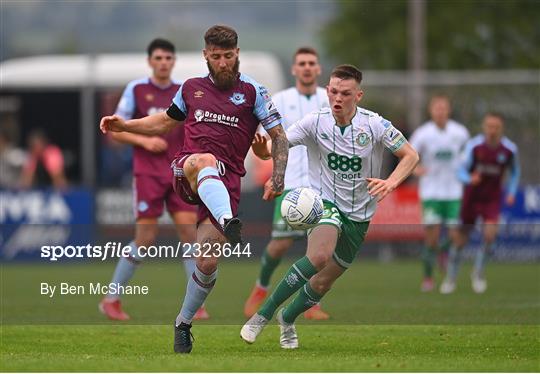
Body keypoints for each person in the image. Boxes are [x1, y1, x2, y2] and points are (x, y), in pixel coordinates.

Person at [100, 25, 288, 354]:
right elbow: (163, 121)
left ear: (237, 53)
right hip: (186, 170)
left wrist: (278, 177)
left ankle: (183, 323)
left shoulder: (255, 92)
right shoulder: (190, 89)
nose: (224, 63)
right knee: (204, 159)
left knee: (207, 261)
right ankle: (229, 221)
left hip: (225, 185)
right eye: (216, 57)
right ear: (206, 56)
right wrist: (125, 125)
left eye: (229, 56)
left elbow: (280, 137)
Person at [241, 64, 419, 349]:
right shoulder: (315, 121)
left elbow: (410, 155)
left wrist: (391, 182)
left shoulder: (374, 124)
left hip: (360, 215)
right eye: (333, 91)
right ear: (327, 91)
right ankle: (262, 315)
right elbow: (282, 143)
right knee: (320, 255)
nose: (338, 98)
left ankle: (286, 318)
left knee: (322, 284)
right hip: (324, 202)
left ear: (358, 96)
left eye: (345, 93)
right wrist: (264, 151)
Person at [98, 38, 209, 321]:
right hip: (147, 173)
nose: (163, 63)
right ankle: (111, 299)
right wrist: (145, 142)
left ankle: (195, 303)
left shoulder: (184, 91)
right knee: (145, 238)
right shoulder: (136, 89)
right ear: (150, 61)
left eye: (168, 58)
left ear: (173, 62)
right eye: (158, 58)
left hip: (178, 173)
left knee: (189, 235)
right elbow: (115, 129)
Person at [243, 47, 331, 320]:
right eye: (301, 63)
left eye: (311, 63)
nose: (306, 67)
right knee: (279, 245)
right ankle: (260, 288)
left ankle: (310, 302)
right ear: (294, 69)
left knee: (317, 248)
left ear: (318, 69)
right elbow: (267, 141)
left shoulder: (329, 101)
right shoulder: (280, 99)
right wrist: (262, 156)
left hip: (322, 186)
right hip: (291, 184)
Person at [440, 112, 520, 294]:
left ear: (501, 128)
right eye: (489, 126)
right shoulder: (474, 146)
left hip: (492, 199)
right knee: (459, 241)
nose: (492, 130)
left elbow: (515, 172)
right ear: (484, 127)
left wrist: (512, 191)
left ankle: (478, 273)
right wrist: (469, 178)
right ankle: (451, 278)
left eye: (496, 127)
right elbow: (460, 170)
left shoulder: (509, 149)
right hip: (471, 198)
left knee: (490, 236)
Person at [409, 95, 469, 292]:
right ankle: (428, 278)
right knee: (431, 238)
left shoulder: (460, 133)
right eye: (437, 108)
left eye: (444, 108)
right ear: (431, 111)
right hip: (431, 192)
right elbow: (408, 156)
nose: (440, 111)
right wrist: (416, 169)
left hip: (454, 192)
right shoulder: (422, 134)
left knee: (456, 236)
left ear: (449, 110)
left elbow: (469, 157)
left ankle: (442, 255)